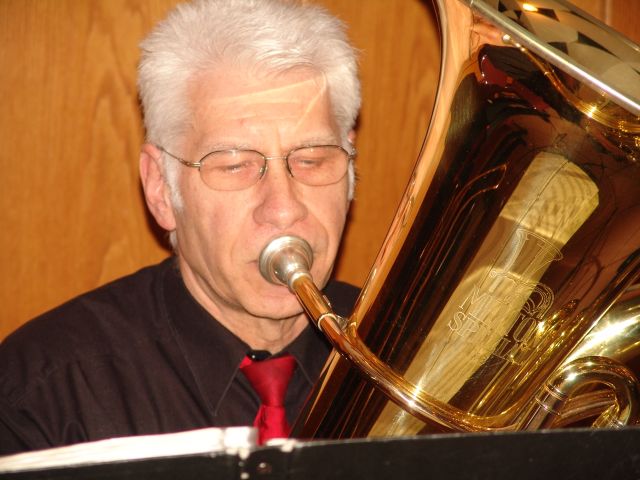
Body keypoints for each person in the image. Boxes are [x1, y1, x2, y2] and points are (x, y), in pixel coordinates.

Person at [0, 0, 360, 454]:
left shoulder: (404, 351)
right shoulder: (43, 393)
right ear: (160, 189)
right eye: (234, 165)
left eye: (312, 160)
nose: (283, 209)